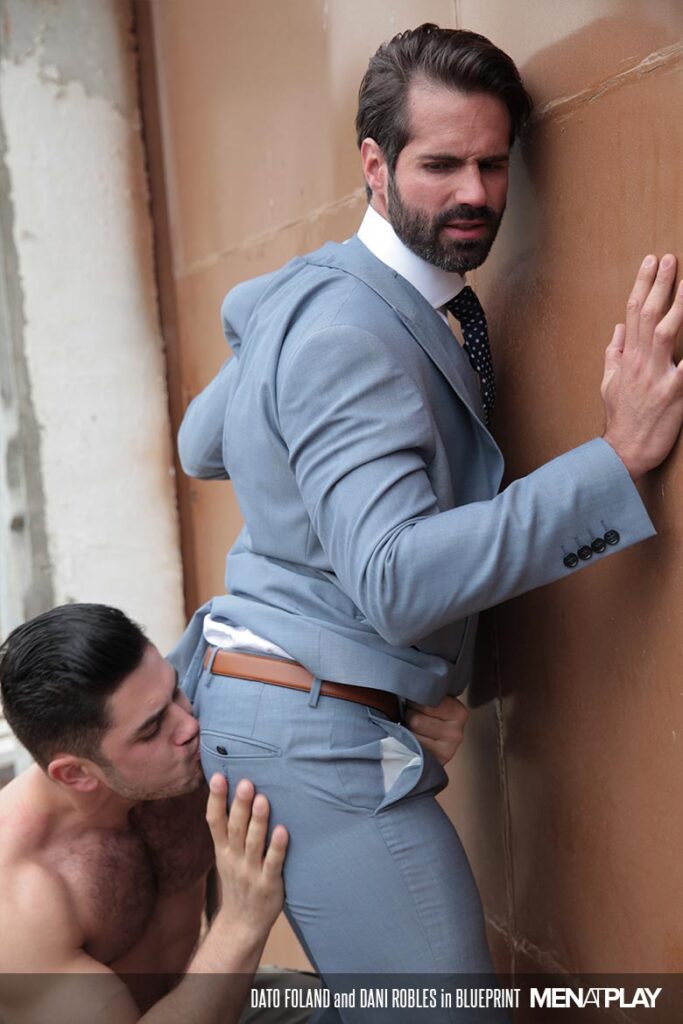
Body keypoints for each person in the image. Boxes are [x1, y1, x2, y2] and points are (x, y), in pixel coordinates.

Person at [172, 23, 683, 1022]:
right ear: (374, 165)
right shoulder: (346, 331)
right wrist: (614, 461)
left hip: (294, 704)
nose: (475, 193)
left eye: (492, 164)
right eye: (440, 165)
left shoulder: (327, 296)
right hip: (315, 732)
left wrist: (283, 320)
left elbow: (202, 441)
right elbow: (398, 582)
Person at [0, 602, 466, 1024]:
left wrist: (403, 742)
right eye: (151, 730)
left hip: (222, 997)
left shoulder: (179, 756)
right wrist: (242, 922)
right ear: (76, 774)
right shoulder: (20, 905)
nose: (190, 724)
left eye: (175, 691)